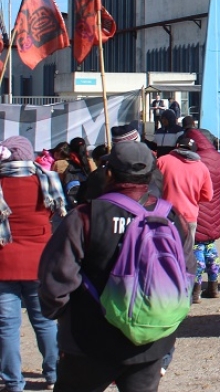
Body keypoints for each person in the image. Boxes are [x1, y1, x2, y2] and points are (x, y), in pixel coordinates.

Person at [38, 141, 195, 391]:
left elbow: (55, 279)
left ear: (108, 172)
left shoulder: (85, 217)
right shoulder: (173, 218)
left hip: (89, 338)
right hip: (151, 339)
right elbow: (187, 274)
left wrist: (60, 316)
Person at [0, 136, 64, 392]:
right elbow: (53, 213)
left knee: (7, 325)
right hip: (40, 259)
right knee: (45, 321)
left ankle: (13, 381)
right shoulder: (45, 179)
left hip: (4, 261)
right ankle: (53, 375)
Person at [185, 127, 220, 301]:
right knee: (211, 248)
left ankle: (196, 289)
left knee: (196, 249)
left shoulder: (193, 162)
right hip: (215, 208)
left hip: (196, 209)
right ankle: (214, 285)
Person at [157, 134, 212, 254]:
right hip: (189, 216)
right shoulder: (202, 168)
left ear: (177, 146)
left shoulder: (162, 161)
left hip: (165, 214)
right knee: (185, 254)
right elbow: (207, 196)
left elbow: (153, 187)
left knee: (165, 251)